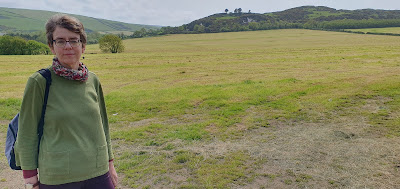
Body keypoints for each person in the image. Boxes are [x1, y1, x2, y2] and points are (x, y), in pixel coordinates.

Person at [14, 14, 118, 189]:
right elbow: (27, 133)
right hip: (58, 177)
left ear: (83, 46)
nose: (68, 46)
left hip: (99, 173)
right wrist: (30, 179)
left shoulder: (92, 80)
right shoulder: (40, 82)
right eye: (60, 41)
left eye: (74, 40)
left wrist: (110, 164)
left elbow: (103, 126)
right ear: (51, 46)